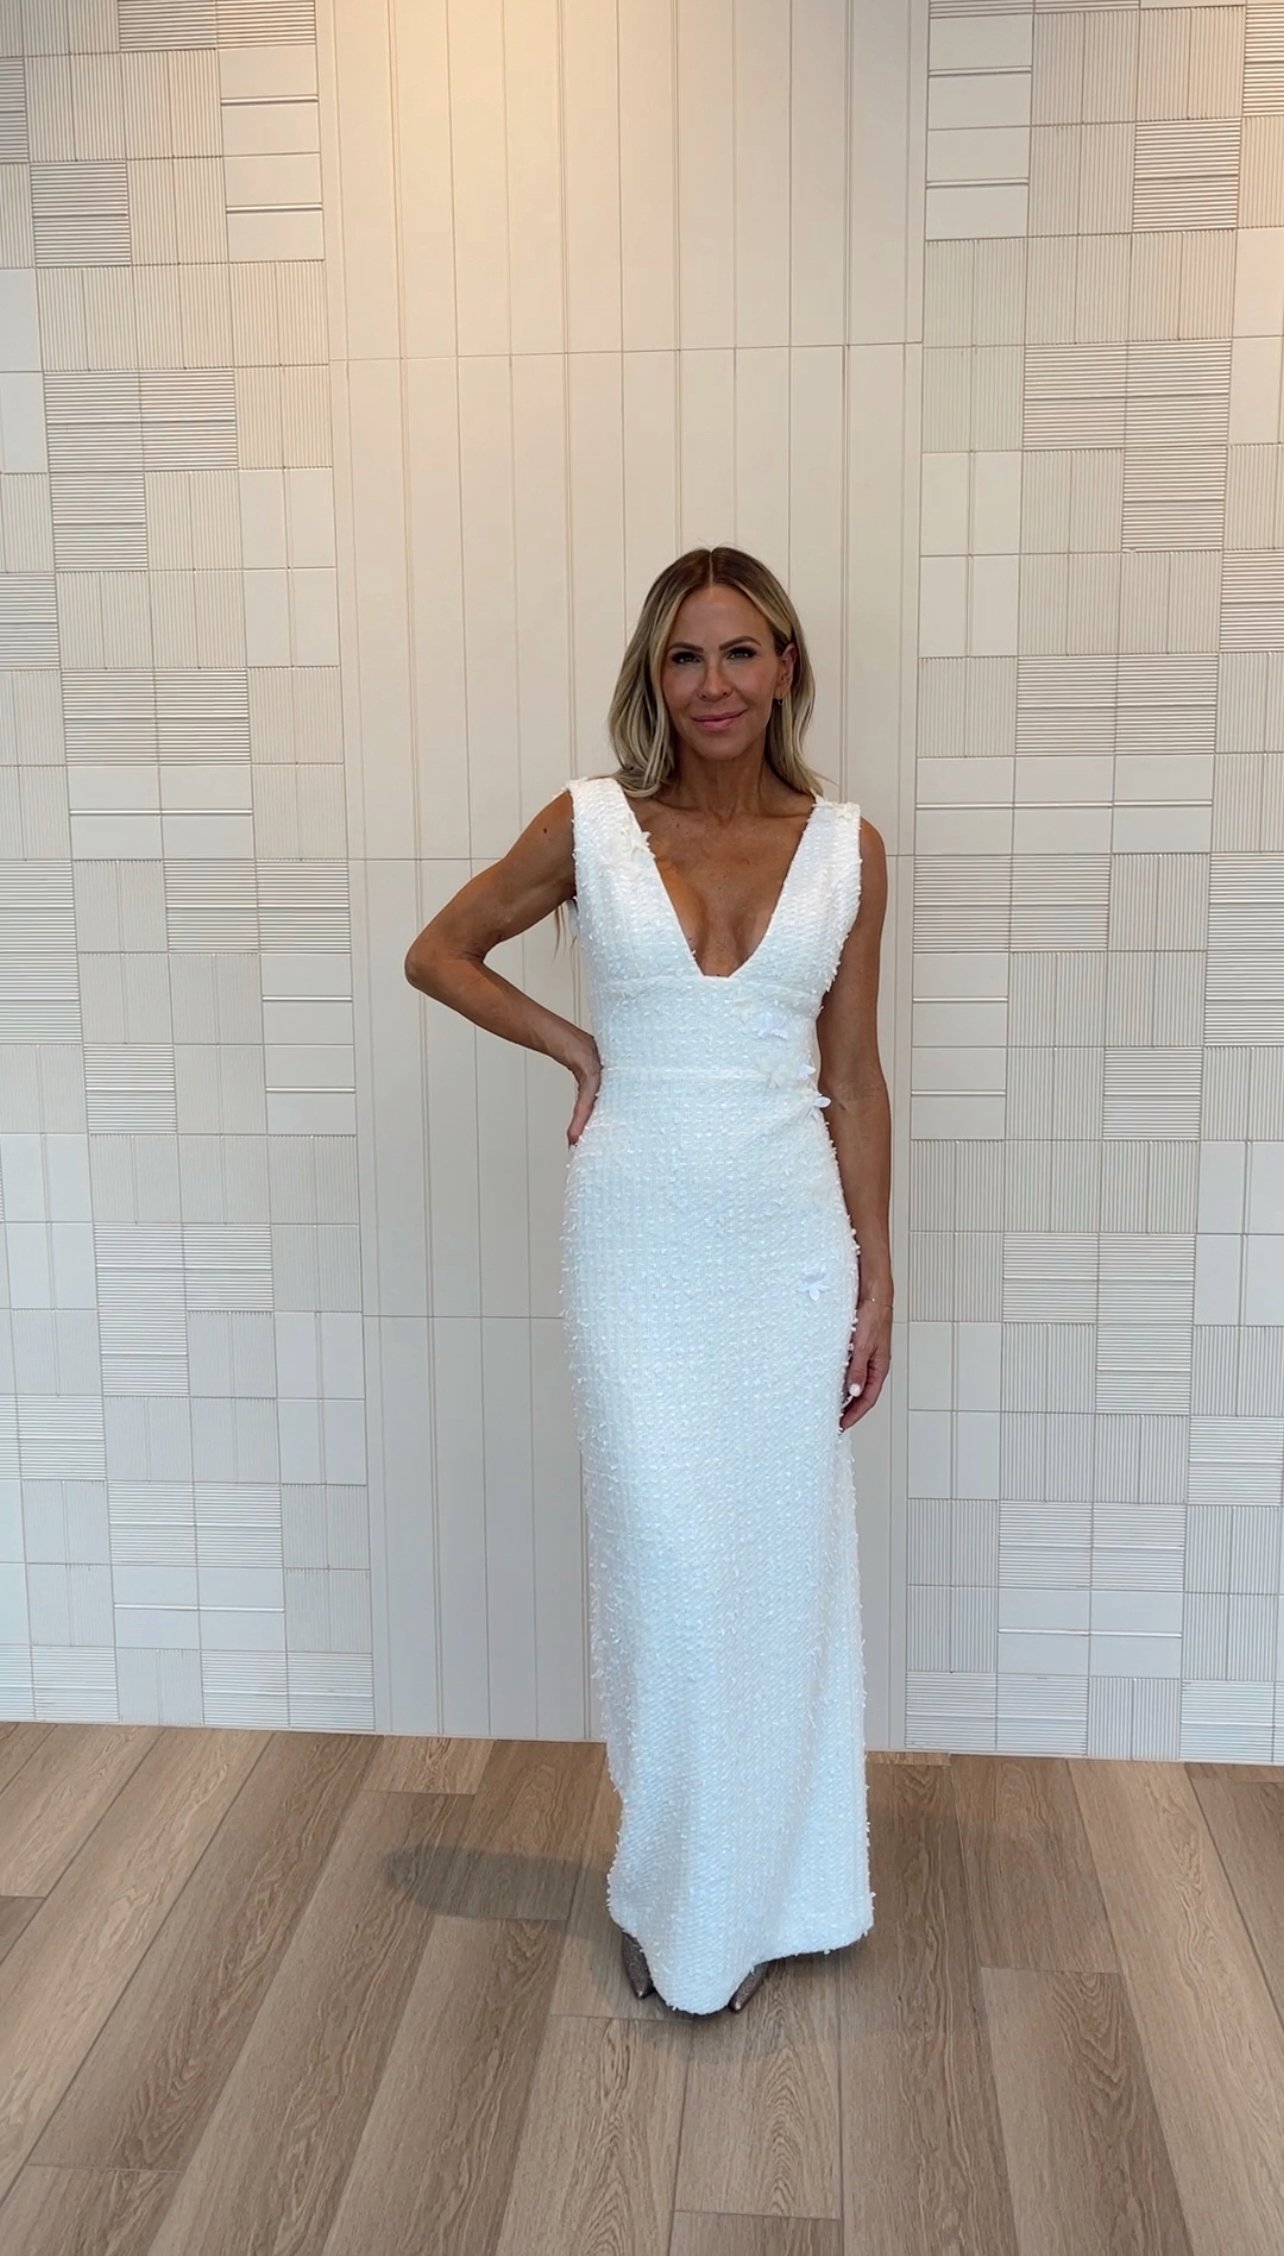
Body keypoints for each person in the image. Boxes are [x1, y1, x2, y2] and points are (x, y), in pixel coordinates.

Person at [405, 545, 892, 2016]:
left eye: (742, 654)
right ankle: (680, 1895)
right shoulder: (594, 824)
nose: (715, 685)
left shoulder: (850, 847)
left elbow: (855, 1080)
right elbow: (441, 951)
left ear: (787, 666)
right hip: (636, 1247)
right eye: (686, 658)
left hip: (789, 1250)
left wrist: (878, 1278)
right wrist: (578, 1047)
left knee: (776, 1568)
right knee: (669, 1568)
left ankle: (785, 1891)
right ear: (654, 679)